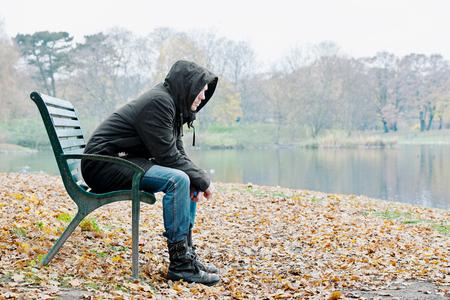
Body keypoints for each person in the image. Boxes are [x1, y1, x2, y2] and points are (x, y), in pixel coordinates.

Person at [81, 60, 220, 286]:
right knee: (178, 180)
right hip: (102, 165)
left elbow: (177, 153)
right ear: (188, 86)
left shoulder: (172, 106)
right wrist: (203, 179)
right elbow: (168, 157)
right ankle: (181, 265)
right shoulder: (159, 103)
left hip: (121, 161)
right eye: (201, 92)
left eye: (205, 94)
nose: (202, 98)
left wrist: (197, 178)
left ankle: (186, 254)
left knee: (187, 178)